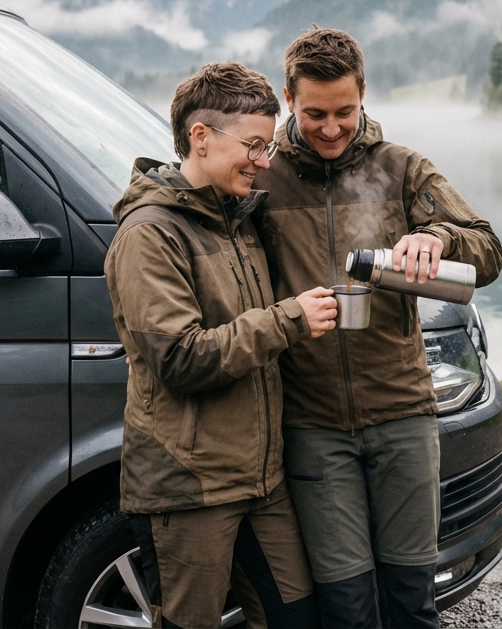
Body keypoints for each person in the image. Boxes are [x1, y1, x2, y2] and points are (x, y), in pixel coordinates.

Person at [253, 28, 502, 628]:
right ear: (289, 98)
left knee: (412, 600)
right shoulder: (264, 178)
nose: (332, 128)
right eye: (315, 113)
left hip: (402, 415)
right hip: (312, 423)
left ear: (364, 92)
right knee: (346, 607)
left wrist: (437, 237)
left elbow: (487, 250)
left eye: (345, 111)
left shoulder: (403, 169)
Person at [105, 61, 336, 629]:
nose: (262, 162)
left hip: (262, 479)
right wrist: (290, 320)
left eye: (268, 147)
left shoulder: (239, 221)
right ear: (200, 138)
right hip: (188, 487)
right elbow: (180, 359)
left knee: (296, 618)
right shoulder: (149, 234)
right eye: (253, 146)